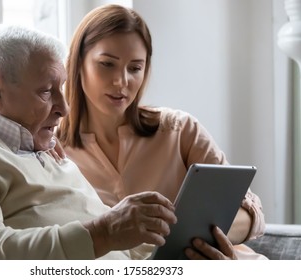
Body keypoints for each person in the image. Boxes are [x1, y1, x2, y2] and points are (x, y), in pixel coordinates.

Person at [0, 24, 178, 260]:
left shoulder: (44, 149)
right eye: (46, 92)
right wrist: (104, 232)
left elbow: (120, 248)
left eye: (60, 89)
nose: (64, 108)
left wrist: (181, 248)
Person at [56, 4, 267, 260]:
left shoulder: (180, 130)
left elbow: (251, 212)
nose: (121, 81)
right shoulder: (52, 149)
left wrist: (201, 241)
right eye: (107, 64)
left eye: (135, 68)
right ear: (77, 64)